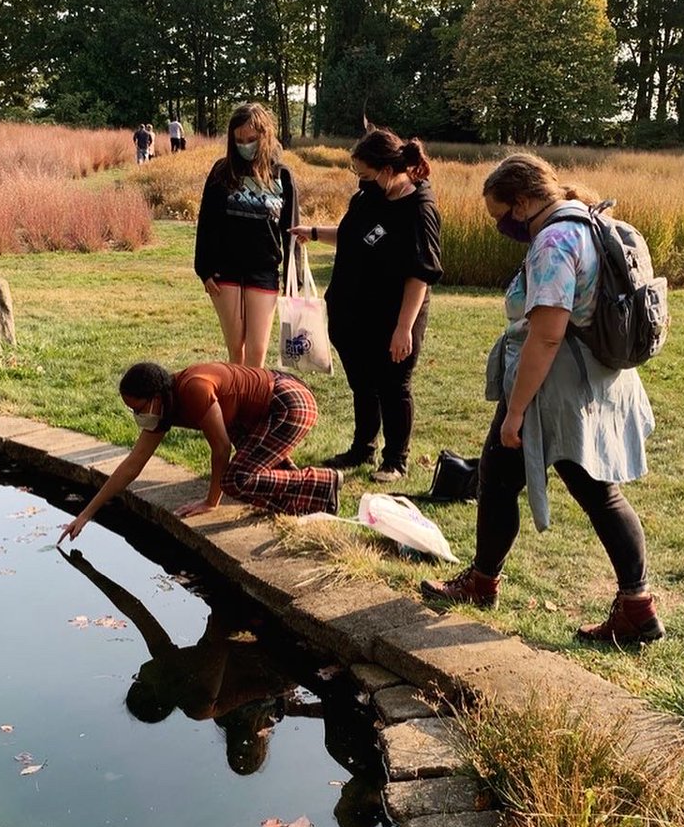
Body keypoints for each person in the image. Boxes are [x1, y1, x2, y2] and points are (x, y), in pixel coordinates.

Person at [420, 152, 663, 644]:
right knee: (504, 478)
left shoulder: (554, 240)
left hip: (555, 385)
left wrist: (515, 411)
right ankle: (487, 580)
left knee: (587, 491)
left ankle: (634, 607)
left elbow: (547, 336)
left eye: (503, 215)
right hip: (593, 377)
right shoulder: (592, 221)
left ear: (525, 200)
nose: (503, 227)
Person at [291, 128, 441, 483]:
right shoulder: (368, 198)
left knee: (394, 384)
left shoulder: (419, 211)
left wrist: (404, 328)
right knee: (362, 384)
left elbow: (420, 275)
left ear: (388, 170)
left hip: (393, 315)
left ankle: (395, 460)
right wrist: (312, 233)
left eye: (365, 174)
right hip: (351, 311)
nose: (360, 182)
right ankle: (362, 448)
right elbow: (351, 235)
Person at [56, 360, 340, 543]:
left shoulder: (193, 389)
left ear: (155, 397)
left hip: (289, 402)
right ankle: (312, 502)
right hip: (255, 415)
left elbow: (221, 447)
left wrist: (212, 501)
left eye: (137, 409)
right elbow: (133, 465)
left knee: (237, 480)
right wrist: (85, 514)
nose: (136, 415)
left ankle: (323, 482)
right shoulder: (161, 409)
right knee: (253, 477)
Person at [194, 102, 299, 368]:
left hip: (263, 269)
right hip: (224, 270)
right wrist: (203, 269)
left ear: (265, 136)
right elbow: (206, 222)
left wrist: (292, 276)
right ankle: (236, 406)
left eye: (251, 139)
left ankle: (254, 406)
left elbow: (291, 230)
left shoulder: (282, 175)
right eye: (239, 140)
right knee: (236, 352)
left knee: (256, 353)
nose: (245, 145)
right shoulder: (221, 172)